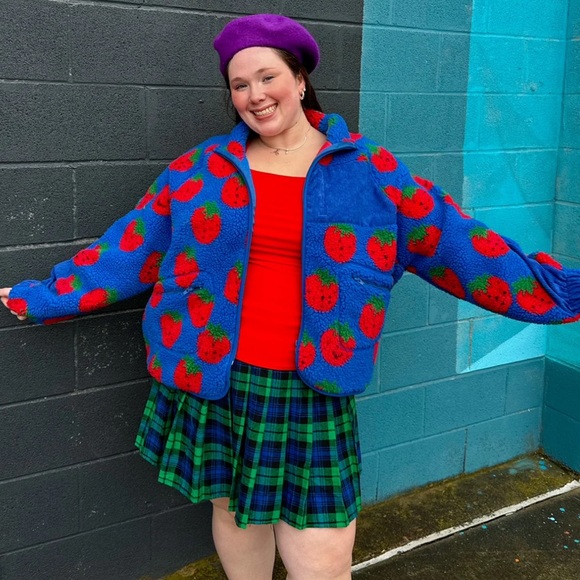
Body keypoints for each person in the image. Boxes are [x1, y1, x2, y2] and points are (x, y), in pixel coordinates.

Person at [1, 13, 579, 580]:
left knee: (322, 553)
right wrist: (42, 297)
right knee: (234, 513)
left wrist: (561, 293)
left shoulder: (369, 172)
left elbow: (462, 247)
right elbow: (128, 251)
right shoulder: (201, 172)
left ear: (300, 80)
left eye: (267, 76)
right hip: (218, 378)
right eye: (240, 84)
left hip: (313, 386)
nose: (255, 95)